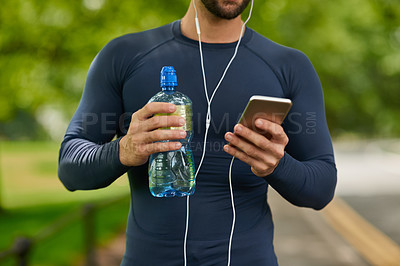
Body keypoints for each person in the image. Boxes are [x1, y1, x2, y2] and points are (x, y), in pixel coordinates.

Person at [58, 0, 337, 265]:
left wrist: (278, 164)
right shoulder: (124, 55)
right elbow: (70, 167)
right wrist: (123, 150)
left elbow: (321, 188)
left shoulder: (289, 66)